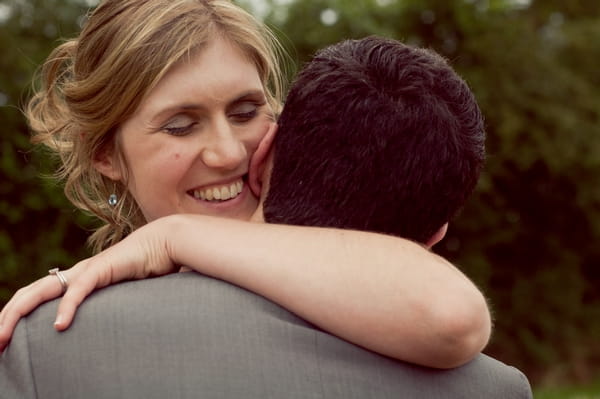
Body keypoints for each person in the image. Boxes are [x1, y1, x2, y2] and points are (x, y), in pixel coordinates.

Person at [0, 32, 532, 398]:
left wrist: (173, 235)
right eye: (181, 125)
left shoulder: (45, 345)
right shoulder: (496, 388)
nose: (228, 153)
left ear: (272, 143)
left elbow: (450, 313)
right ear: (105, 154)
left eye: (246, 111)